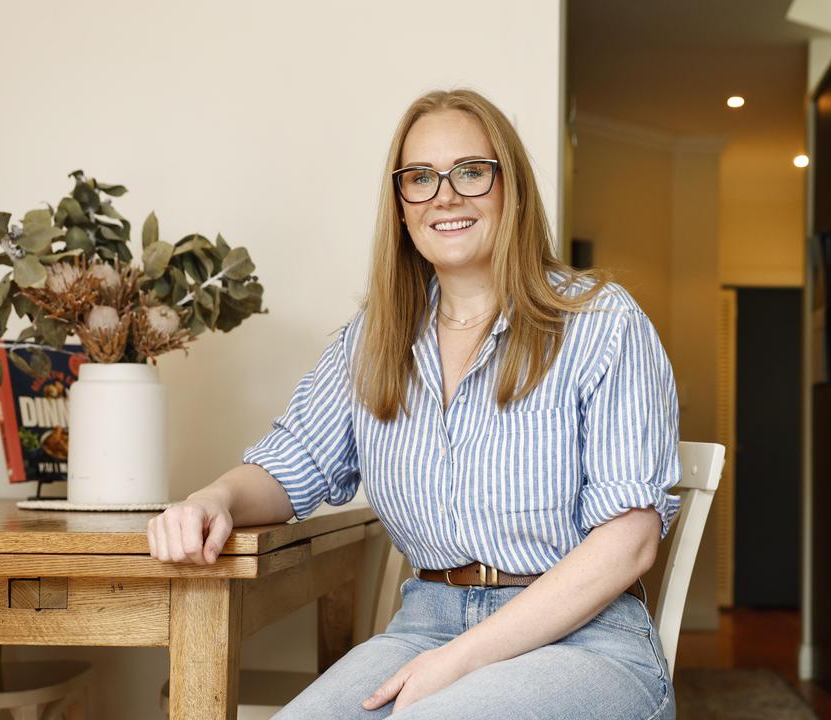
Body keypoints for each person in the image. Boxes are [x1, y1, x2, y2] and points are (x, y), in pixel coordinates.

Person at [147, 88, 681, 719]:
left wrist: (460, 661)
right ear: (401, 206)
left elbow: (630, 543)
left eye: (471, 172)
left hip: (586, 640)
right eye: (420, 178)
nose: (445, 196)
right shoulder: (375, 338)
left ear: (512, 188)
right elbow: (291, 464)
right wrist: (213, 498)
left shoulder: (601, 323)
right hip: (425, 625)